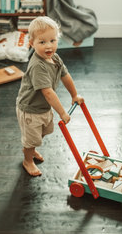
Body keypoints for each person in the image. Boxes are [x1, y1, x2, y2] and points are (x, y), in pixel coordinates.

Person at [16, 16, 84, 177]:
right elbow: (48, 92)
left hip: (43, 108)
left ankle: (30, 148)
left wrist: (74, 95)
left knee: (43, 132)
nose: (48, 46)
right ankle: (28, 159)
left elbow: (65, 75)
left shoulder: (54, 58)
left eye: (52, 40)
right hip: (31, 109)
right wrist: (62, 112)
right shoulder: (38, 66)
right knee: (32, 139)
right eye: (42, 42)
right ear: (31, 43)